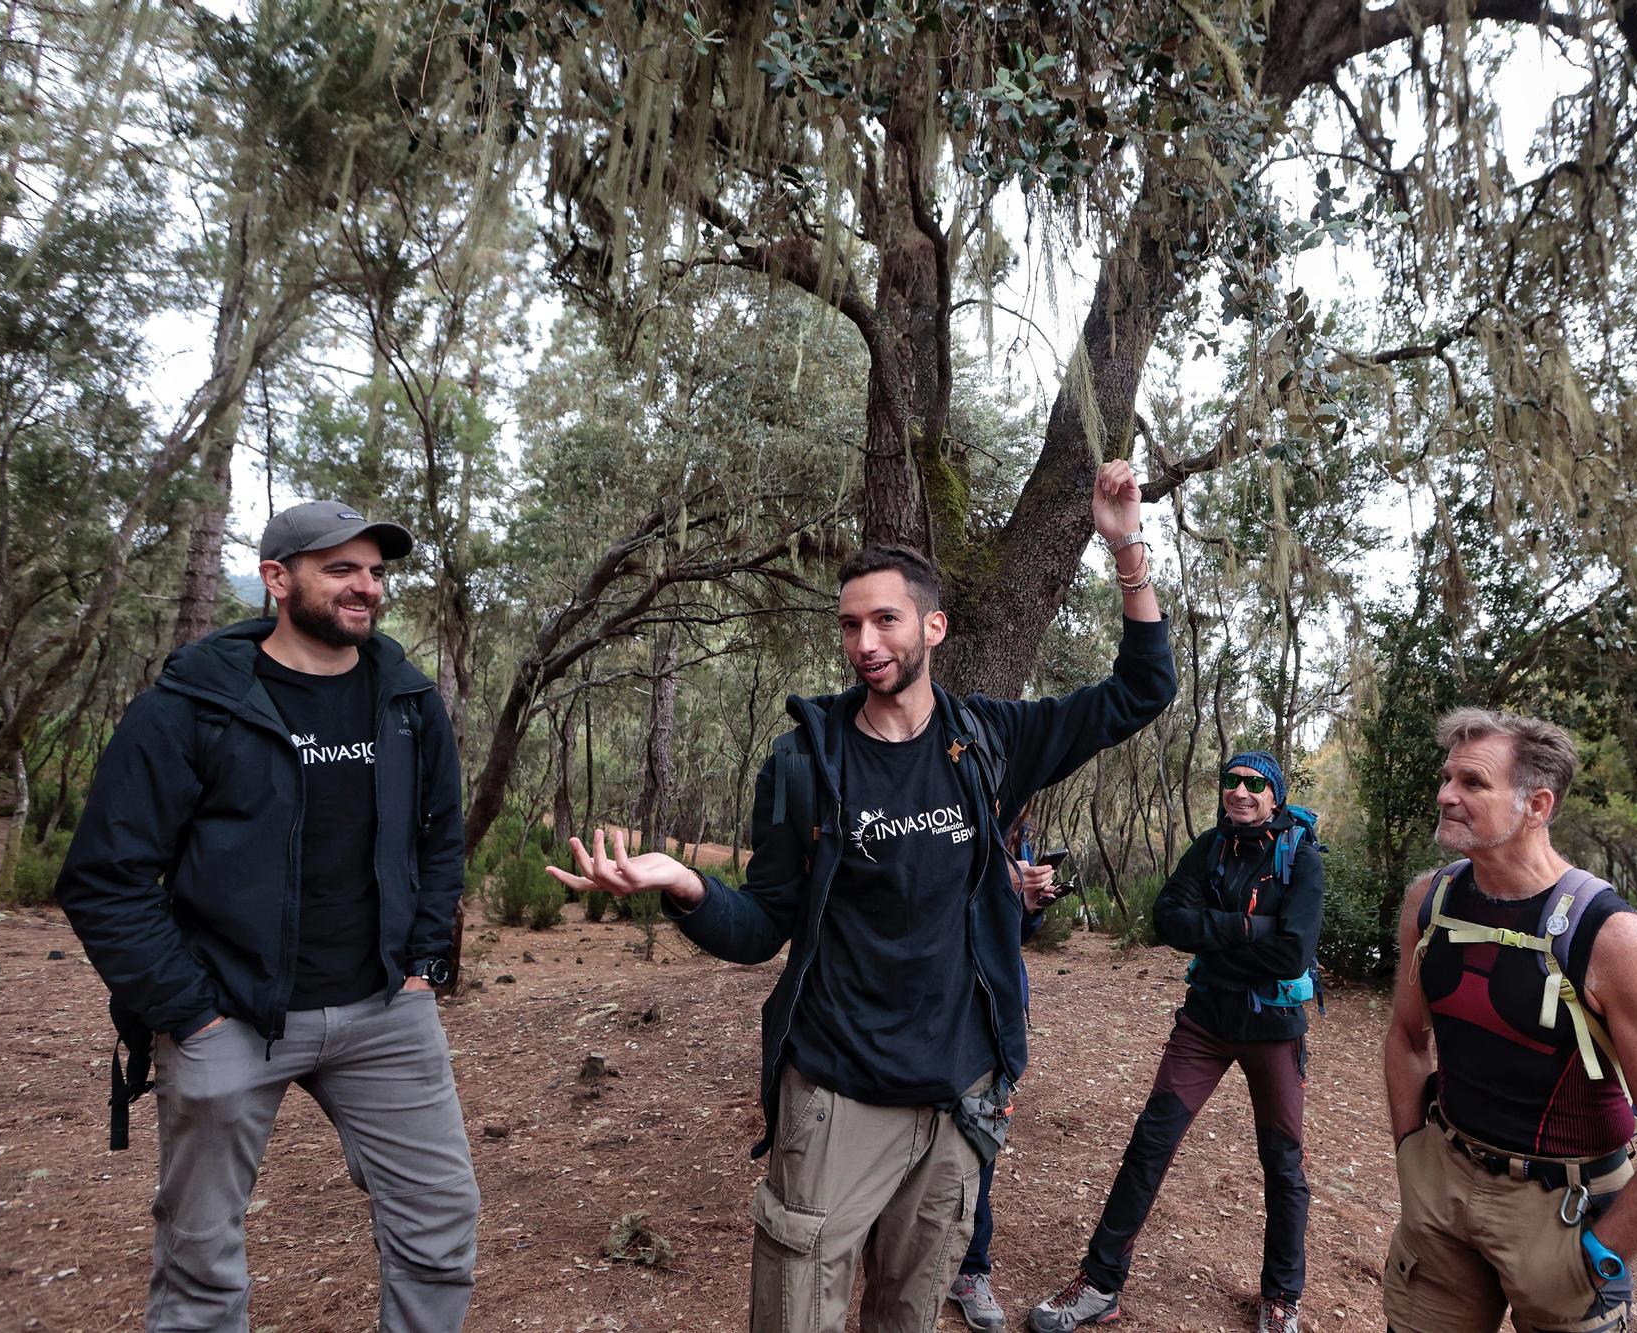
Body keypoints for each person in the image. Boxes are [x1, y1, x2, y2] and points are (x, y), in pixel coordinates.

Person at [551, 459, 1178, 1333]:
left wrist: (1126, 549)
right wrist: (688, 886)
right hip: (835, 1097)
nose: (865, 642)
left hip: (957, 1100)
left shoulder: (992, 740)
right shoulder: (806, 764)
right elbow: (762, 926)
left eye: (885, 619)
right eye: (850, 625)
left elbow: (1144, 690)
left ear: (934, 625)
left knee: (907, 1317)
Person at [54, 501, 478, 1332]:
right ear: (277, 579)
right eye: (341, 569)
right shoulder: (192, 706)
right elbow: (107, 873)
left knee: (440, 1226)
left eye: (377, 571)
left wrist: (427, 966)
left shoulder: (405, 699)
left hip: (385, 1014)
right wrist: (191, 1011)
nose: (366, 587)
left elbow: (441, 839)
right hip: (232, 1016)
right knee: (200, 1254)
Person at [1381, 708, 1637, 1333]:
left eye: (1472, 783)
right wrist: (1412, 1156)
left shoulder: (1614, 941)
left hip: (1565, 1210)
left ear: (1536, 805)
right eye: (1447, 777)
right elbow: (1407, 1039)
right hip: (1442, 1190)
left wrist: (1596, 1256)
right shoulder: (1430, 901)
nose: (1445, 795)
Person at [1029, 750, 1325, 1333]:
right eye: (1231, 782)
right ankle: (1101, 1283)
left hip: (1272, 1029)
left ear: (1276, 796)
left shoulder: (1302, 860)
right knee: (1150, 1143)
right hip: (1205, 1022)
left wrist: (1211, 931)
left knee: (1283, 1163)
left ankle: (1281, 1296)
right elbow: (1167, 920)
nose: (1239, 792)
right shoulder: (1209, 847)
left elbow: (1293, 951)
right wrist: (1248, 929)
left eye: (1254, 784)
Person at [948, 812, 1069, 1332]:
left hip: (994, 1013)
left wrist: (1027, 902)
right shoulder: (936, 805)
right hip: (932, 1006)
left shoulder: (1016, 828)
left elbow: (1016, 932)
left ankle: (971, 1269)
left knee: (982, 1141)